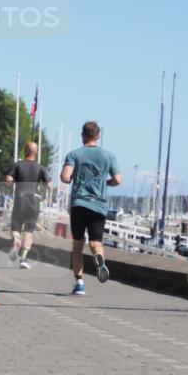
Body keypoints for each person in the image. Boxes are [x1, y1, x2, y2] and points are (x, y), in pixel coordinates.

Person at [60, 121, 121, 296]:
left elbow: (65, 177)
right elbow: (118, 179)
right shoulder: (108, 156)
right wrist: (105, 182)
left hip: (79, 203)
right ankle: (99, 258)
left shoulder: (74, 154)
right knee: (95, 242)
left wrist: (70, 178)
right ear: (98, 136)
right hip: (99, 205)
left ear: (82, 135)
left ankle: (79, 283)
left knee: (78, 246)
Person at [5, 141, 52, 269]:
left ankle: (16, 241)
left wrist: (10, 185)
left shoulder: (17, 165)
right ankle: (24, 258)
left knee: (16, 227)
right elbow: (49, 185)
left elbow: (8, 180)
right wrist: (42, 192)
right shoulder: (41, 168)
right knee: (29, 231)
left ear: (24, 151)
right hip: (34, 201)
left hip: (20, 199)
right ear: (35, 152)